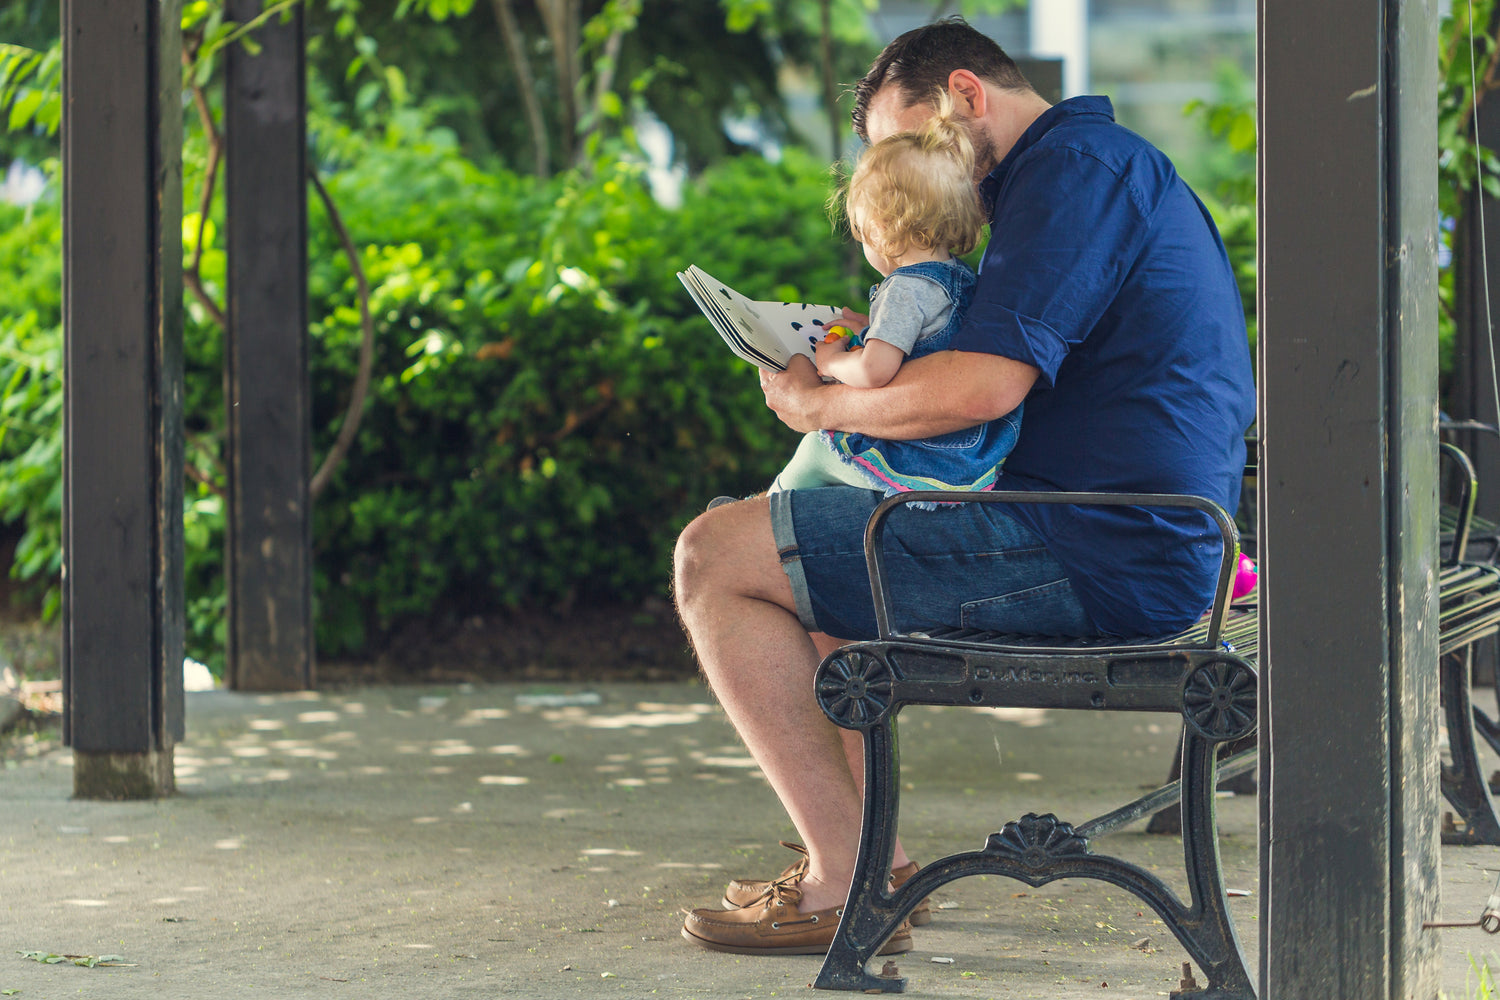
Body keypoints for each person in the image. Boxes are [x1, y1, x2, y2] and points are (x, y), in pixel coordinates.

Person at [674, 16, 1256, 956]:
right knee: (811, 559)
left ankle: (837, 882)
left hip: (1099, 549)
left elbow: (983, 387)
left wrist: (819, 409)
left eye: (911, 142)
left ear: (965, 97)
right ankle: (876, 869)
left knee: (714, 555)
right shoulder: (1079, 171)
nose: (913, 173)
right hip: (1119, 533)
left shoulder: (1074, 175)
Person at [769, 94, 1022, 498]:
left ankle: (766, 507)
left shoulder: (904, 289)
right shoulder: (957, 278)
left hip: (925, 458)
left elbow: (874, 372)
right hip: (972, 455)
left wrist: (833, 361)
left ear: (881, 228)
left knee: (817, 449)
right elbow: (923, 340)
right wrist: (872, 328)